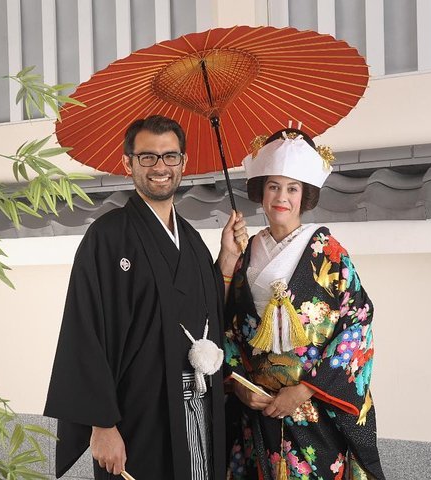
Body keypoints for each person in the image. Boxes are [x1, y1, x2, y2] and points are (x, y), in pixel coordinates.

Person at [44, 115, 247, 479]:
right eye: (147, 157)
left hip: (200, 404)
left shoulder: (193, 241)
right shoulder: (107, 237)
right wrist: (102, 426)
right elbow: (84, 330)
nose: (160, 167)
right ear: (129, 163)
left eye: (170, 157)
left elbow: (209, 312)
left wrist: (227, 259)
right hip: (137, 413)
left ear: (183, 163)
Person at [223, 128, 385, 479]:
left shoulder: (328, 252)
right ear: (261, 191)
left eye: (292, 188)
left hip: (314, 406)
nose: (282, 197)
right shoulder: (246, 252)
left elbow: (357, 323)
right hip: (260, 407)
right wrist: (238, 384)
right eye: (273, 186)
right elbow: (230, 327)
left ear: (305, 195)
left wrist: (305, 389)